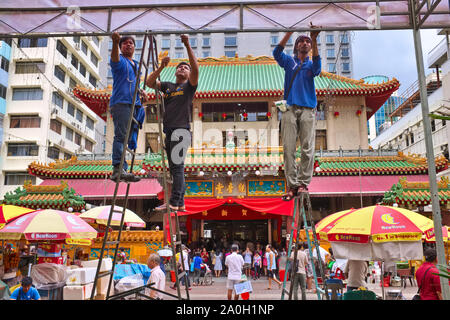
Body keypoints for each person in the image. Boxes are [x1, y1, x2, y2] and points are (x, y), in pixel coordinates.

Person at [147, 34, 199, 212]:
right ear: (176, 71)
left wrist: (187, 44)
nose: (183, 69)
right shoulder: (168, 86)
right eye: (180, 67)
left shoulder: (189, 86)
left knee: (177, 168)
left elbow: (196, 71)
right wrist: (162, 66)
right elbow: (149, 82)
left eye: (186, 68)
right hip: (169, 132)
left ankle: (174, 202)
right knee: (175, 168)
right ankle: (181, 202)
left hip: (181, 131)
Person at [273, 27, 321, 200]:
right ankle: (292, 185)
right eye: (301, 41)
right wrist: (289, 32)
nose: (305, 43)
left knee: (308, 148)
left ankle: (303, 183)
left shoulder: (312, 63)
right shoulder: (289, 62)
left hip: (308, 109)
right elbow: (276, 52)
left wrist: (314, 39)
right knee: (288, 149)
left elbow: (317, 69)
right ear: (295, 46)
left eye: (307, 41)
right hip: (290, 109)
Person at [109, 32, 144, 183]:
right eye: (125, 43)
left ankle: (123, 168)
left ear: (134, 47)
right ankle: (118, 168)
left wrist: (141, 91)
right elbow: (115, 58)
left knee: (127, 137)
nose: (128, 44)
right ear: (121, 47)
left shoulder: (136, 65)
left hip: (133, 103)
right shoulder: (120, 60)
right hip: (121, 102)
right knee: (121, 136)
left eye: (131, 43)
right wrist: (115, 43)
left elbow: (134, 83)